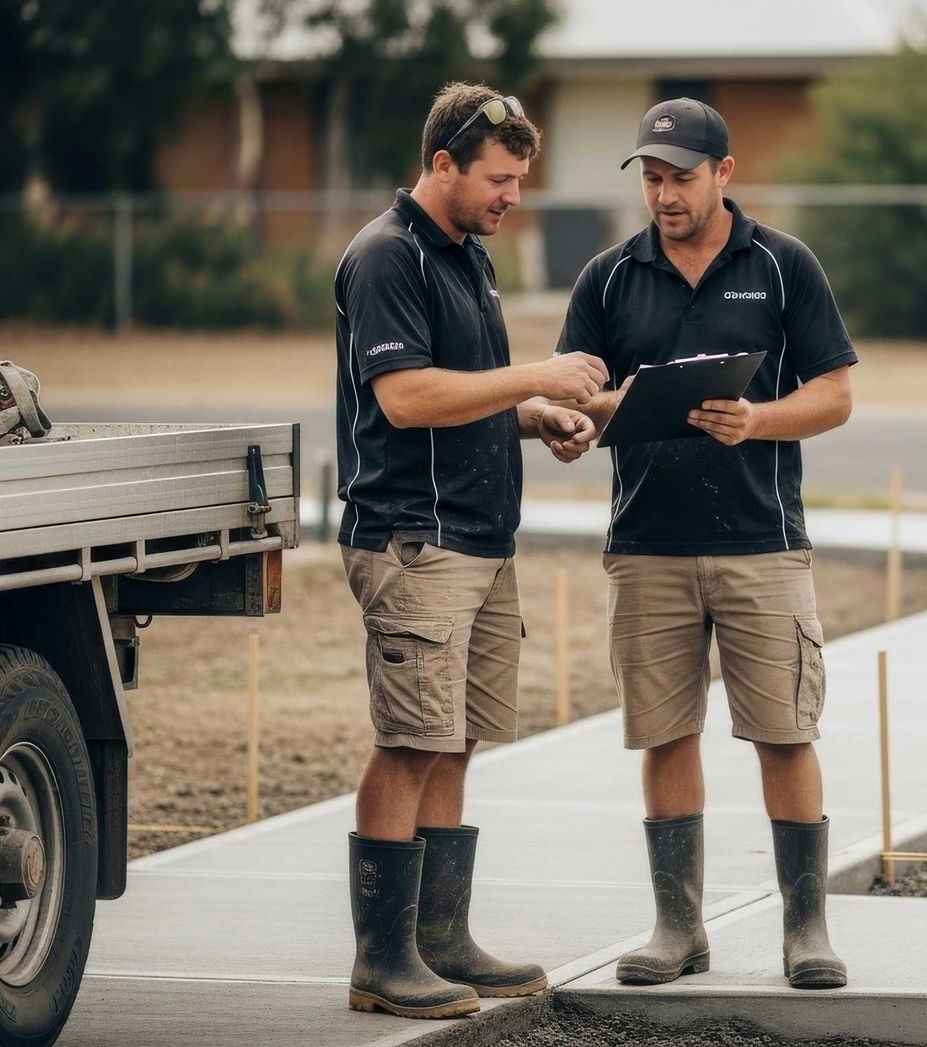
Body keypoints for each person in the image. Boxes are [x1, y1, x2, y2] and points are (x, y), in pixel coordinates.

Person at [558, 98, 856, 990]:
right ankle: (677, 928)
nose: (663, 194)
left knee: (785, 733)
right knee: (665, 733)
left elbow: (835, 394)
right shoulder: (608, 279)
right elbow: (579, 391)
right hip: (646, 545)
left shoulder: (782, 265)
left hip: (762, 545)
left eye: (680, 177)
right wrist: (587, 416)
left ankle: (806, 929)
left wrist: (757, 417)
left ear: (725, 173)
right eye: (650, 178)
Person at [332, 82, 608, 1019]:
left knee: (456, 735)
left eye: (521, 179)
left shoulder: (467, 256)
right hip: (417, 540)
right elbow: (406, 399)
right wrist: (535, 370)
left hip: (483, 538)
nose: (512, 196)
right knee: (410, 740)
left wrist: (534, 414)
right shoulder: (385, 257)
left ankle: (440, 939)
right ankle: (383, 959)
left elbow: (468, 395)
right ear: (441, 162)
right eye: (498, 177)